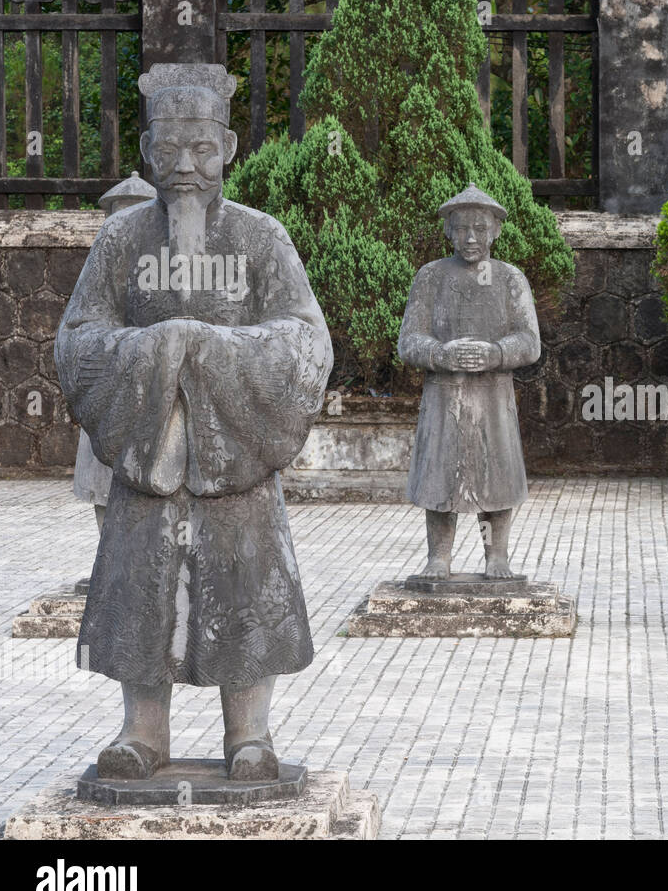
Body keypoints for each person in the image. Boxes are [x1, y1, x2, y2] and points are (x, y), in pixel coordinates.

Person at [55, 63, 332, 781]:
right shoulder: (120, 243)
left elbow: (305, 339)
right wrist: (153, 348)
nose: (185, 165)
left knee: (244, 585)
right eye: (169, 147)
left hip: (233, 452)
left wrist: (210, 350)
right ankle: (141, 732)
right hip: (152, 451)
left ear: (230, 147)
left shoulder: (260, 238)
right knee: (142, 586)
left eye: (202, 147)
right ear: (145, 152)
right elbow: (79, 338)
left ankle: (251, 733)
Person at [398, 184, 541, 579]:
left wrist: (496, 353)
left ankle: (497, 556)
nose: (471, 237)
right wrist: (439, 354)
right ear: (448, 231)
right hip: (443, 397)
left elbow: (530, 342)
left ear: (496, 230)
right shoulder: (430, 277)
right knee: (439, 478)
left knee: (496, 477)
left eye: (480, 228)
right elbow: (409, 340)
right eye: (461, 229)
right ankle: (438, 558)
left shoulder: (511, 279)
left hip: (494, 396)